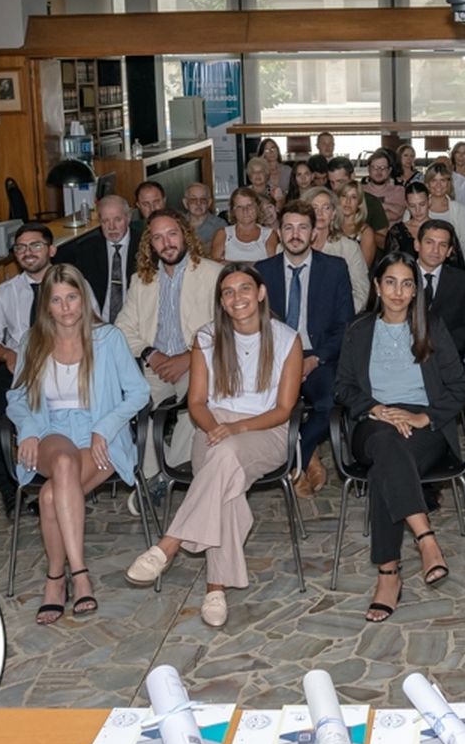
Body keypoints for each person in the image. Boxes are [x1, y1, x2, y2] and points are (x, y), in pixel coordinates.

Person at [125, 264, 303, 627]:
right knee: (225, 477)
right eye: (228, 292)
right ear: (221, 301)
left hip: (266, 431)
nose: (237, 298)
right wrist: (218, 428)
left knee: (223, 460)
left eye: (244, 289)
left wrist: (238, 428)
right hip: (212, 428)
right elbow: (197, 404)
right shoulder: (206, 338)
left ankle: (169, 544)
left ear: (261, 293)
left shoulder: (286, 339)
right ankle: (214, 589)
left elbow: (284, 410)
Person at [8, 264, 150, 623]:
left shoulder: (108, 338)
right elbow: (17, 398)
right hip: (49, 432)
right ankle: (81, 574)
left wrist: (106, 426)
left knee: (51, 496)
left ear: (83, 298)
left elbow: (139, 392)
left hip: (99, 436)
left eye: (72, 297)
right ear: (47, 306)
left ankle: (55, 579)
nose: (66, 307)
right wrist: (26, 428)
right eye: (57, 300)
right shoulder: (32, 342)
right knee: (64, 464)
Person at [335, 252, 465, 623]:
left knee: (386, 467)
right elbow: (343, 387)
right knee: (385, 443)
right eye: (390, 282)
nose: (398, 291)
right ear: (377, 287)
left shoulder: (432, 327)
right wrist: (377, 409)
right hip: (373, 420)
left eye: (407, 283)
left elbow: (459, 388)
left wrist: (422, 416)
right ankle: (426, 538)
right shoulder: (359, 331)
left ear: (415, 291)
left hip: (422, 426)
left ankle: (388, 575)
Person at [0, 222, 97, 513]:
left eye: (35, 245)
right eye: (21, 247)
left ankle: (70, 479)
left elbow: (95, 323)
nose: (28, 252)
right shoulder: (6, 292)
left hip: (70, 365)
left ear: (51, 249)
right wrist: (6, 354)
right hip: (21, 366)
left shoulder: (74, 284)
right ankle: (10, 488)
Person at [116, 209, 223, 483]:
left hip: (196, 362)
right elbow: (123, 328)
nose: (167, 243)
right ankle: (155, 476)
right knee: (135, 407)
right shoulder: (141, 281)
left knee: (196, 406)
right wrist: (150, 354)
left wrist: (189, 357)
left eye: (172, 234)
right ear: (150, 245)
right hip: (156, 365)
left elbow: (225, 326)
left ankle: (165, 478)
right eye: (158, 238)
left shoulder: (213, 274)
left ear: (185, 235)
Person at [257, 201, 354, 497]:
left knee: (330, 403)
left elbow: (345, 326)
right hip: (274, 359)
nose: (295, 234)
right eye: (288, 227)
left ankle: (297, 451)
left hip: (318, 358)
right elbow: (254, 327)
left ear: (313, 233)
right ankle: (307, 460)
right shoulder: (263, 271)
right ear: (279, 231)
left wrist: (315, 359)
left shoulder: (335, 269)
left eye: (302, 228)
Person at [58, 194, 139, 325]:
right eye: (105, 221)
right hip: (98, 326)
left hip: (135, 325)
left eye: (117, 219)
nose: (111, 227)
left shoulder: (144, 246)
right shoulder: (86, 250)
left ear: (128, 218)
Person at [415, 220, 465, 358]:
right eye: (429, 243)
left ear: (449, 251)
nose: (435, 250)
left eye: (442, 245)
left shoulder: (461, 281)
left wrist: (442, 344)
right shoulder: (400, 277)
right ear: (417, 245)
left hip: (446, 360)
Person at [307, 186, 370, 312]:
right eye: (314, 208)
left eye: (326, 208)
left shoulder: (349, 248)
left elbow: (361, 292)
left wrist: (340, 317)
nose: (320, 213)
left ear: (334, 213)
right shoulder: (291, 245)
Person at [327, 156, 389, 245]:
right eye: (332, 182)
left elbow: (384, 242)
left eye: (340, 182)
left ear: (352, 176)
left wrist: (360, 232)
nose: (335, 187)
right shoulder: (328, 202)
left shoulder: (371, 202)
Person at [210, 186, 273, 263]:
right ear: (233, 211)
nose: (245, 210)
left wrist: (229, 263)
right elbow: (214, 265)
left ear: (257, 207)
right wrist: (256, 264)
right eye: (239, 207)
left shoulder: (269, 234)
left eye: (249, 205)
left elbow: (271, 265)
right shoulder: (223, 233)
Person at [424, 162, 465, 259]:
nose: (438, 185)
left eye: (443, 180)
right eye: (434, 180)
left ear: (449, 183)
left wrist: (442, 254)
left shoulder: (461, 210)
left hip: (453, 262)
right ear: (427, 184)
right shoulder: (415, 208)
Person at [386, 181, 434, 260]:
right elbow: (390, 264)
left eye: (422, 204)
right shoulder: (397, 232)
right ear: (406, 205)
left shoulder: (443, 229)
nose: (417, 210)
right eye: (412, 206)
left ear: (429, 202)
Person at [337, 178, 378, 268]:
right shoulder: (330, 226)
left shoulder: (366, 232)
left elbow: (363, 269)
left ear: (359, 203)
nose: (348, 201)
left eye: (353, 197)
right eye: (344, 196)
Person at [363, 148, 407, 226]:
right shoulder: (360, 190)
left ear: (389, 170)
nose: (379, 171)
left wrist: (372, 206)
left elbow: (397, 214)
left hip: (392, 236)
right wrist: (388, 206)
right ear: (368, 169)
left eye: (383, 168)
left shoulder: (399, 191)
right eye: (375, 168)